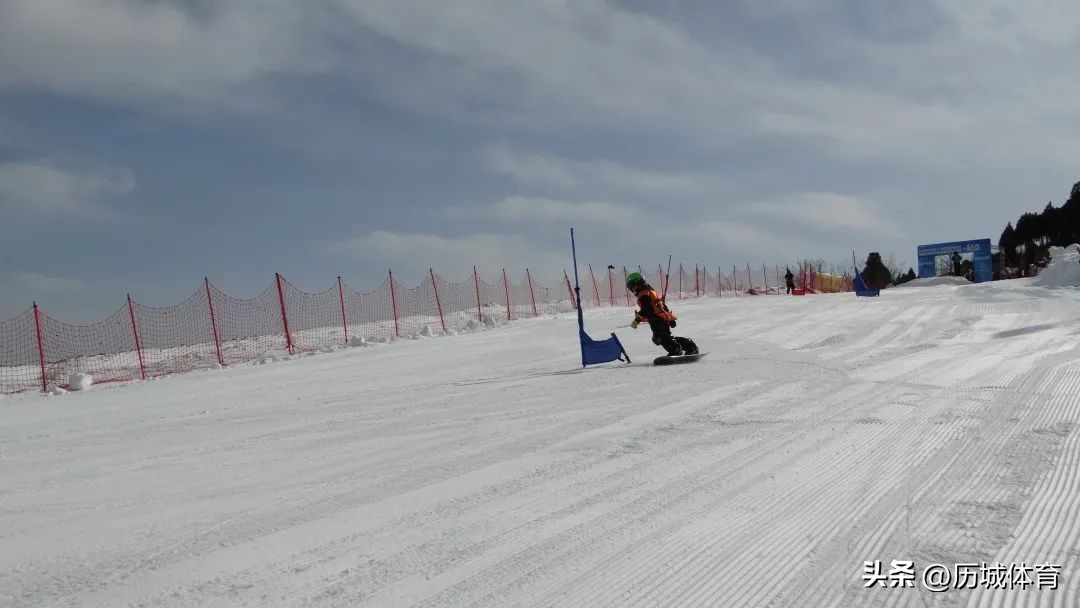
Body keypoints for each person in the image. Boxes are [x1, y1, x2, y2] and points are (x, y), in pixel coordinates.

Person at [626, 272, 698, 356]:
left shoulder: (643, 295)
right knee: (666, 337)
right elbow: (663, 306)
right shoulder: (650, 292)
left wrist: (637, 320)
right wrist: (670, 320)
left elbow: (647, 309)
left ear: (637, 284)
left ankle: (675, 349)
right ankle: (690, 346)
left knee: (659, 338)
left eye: (632, 286)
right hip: (661, 318)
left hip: (656, 319)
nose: (632, 289)